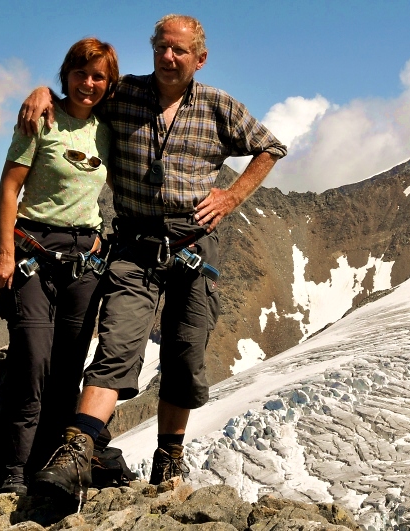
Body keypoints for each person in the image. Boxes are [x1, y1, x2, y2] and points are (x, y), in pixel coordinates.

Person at [18, 14, 287, 500]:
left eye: (180, 51)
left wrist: (231, 197)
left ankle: (169, 458)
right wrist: (43, 93)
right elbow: (82, 92)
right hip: (134, 245)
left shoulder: (218, 106)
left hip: (193, 247)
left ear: (199, 59)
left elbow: (269, 147)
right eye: (161, 47)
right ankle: (76, 453)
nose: (168, 57)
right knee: (117, 344)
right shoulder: (126, 95)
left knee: (184, 356)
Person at [0, 38, 119, 495]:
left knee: (68, 369)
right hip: (33, 250)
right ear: (66, 73)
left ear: (109, 83)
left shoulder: (108, 125)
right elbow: (9, 188)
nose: (89, 83)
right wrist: (5, 252)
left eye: (99, 76)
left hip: (85, 259)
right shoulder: (40, 119)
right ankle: (14, 467)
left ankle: (50, 469)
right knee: (32, 360)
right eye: (81, 73)